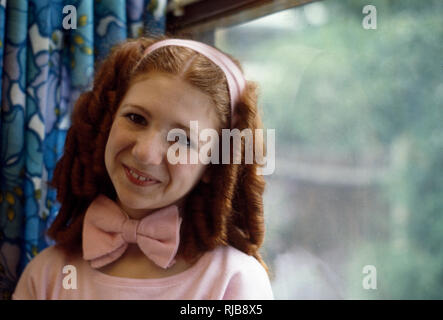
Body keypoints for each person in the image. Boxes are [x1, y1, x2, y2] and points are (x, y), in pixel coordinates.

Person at [12, 35, 273, 300]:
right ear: (108, 122)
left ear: (213, 164)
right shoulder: (46, 275)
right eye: (135, 118)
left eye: (182, 140)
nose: (145, 153)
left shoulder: (235, 281)